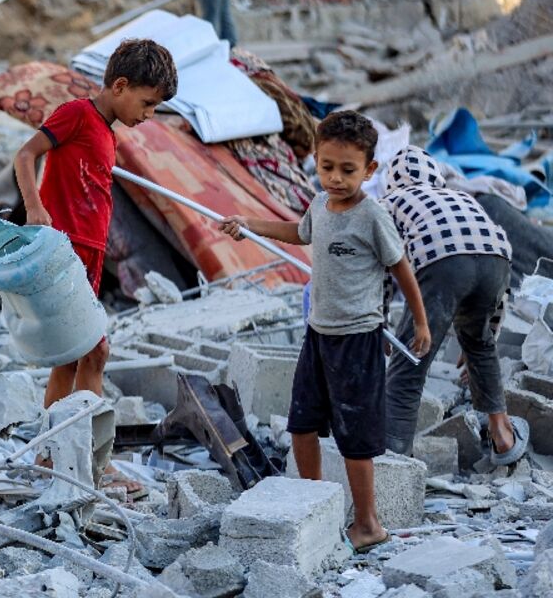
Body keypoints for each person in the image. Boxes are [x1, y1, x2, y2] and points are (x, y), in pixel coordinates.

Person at [220, 111, 432, 553]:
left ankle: (369, 522)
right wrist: (249, 224)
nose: (335, 178)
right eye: (326, 167)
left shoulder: (372, 216)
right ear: (315, 161)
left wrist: (421, 322)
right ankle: (314, 504)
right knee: (301, 423)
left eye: (348, 170)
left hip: (358, 339)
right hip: (318, 334)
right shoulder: (319, 204)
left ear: (370, 170)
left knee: (355, 438)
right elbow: (298, 232)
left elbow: (401, 268)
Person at [14, 38, 178, 410]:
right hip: (66, 250)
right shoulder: (77, 114)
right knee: (91, 351)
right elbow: (25, 155)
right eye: (148, 103)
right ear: (120, 86)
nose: (150, 114)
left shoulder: (107, 133)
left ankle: (67, 450)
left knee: (82, 355)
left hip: (91, 252)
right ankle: (75, 448)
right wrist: (34, 207)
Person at [381, 146, 527, 464]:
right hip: (498, 261)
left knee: (411, 358)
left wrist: (378, 320)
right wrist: (486, 329)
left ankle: (392, 458)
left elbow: (381, 264)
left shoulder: (389, 202)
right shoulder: (463, 197)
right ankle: (502, 434)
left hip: (443, 263)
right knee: (481, 346)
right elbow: (496, 288)